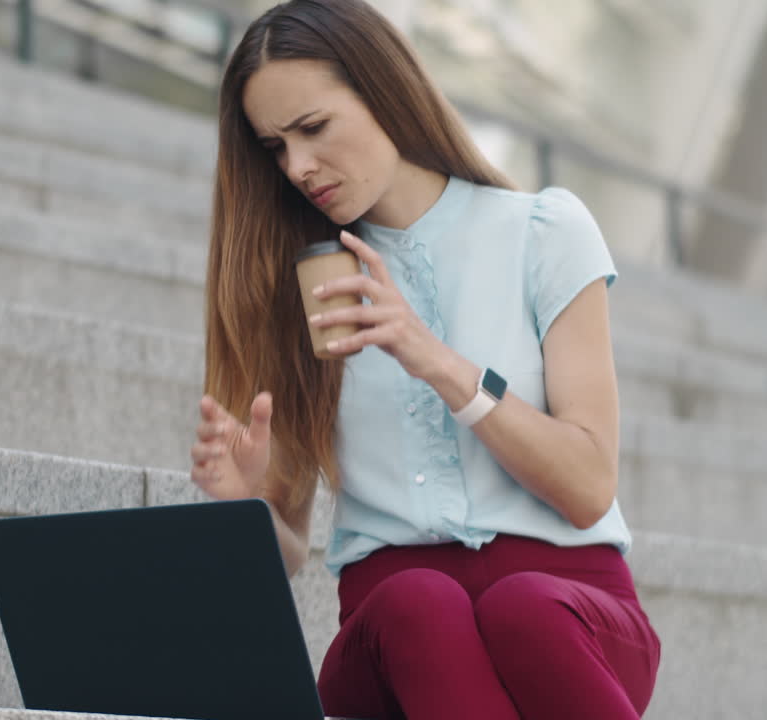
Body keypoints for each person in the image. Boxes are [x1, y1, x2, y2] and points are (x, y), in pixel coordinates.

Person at [187, 1, 662, 718]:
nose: (298, 167)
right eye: (275, 147)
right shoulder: (301, 286)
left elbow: (589, 487)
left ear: (384, 90)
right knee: (417, 601)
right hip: (396, 634)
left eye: (313, 127)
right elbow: (289, 548)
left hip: (569, 620)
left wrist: (436, 361)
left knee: (524, 609)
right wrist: (246, 511)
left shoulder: (544, 232)